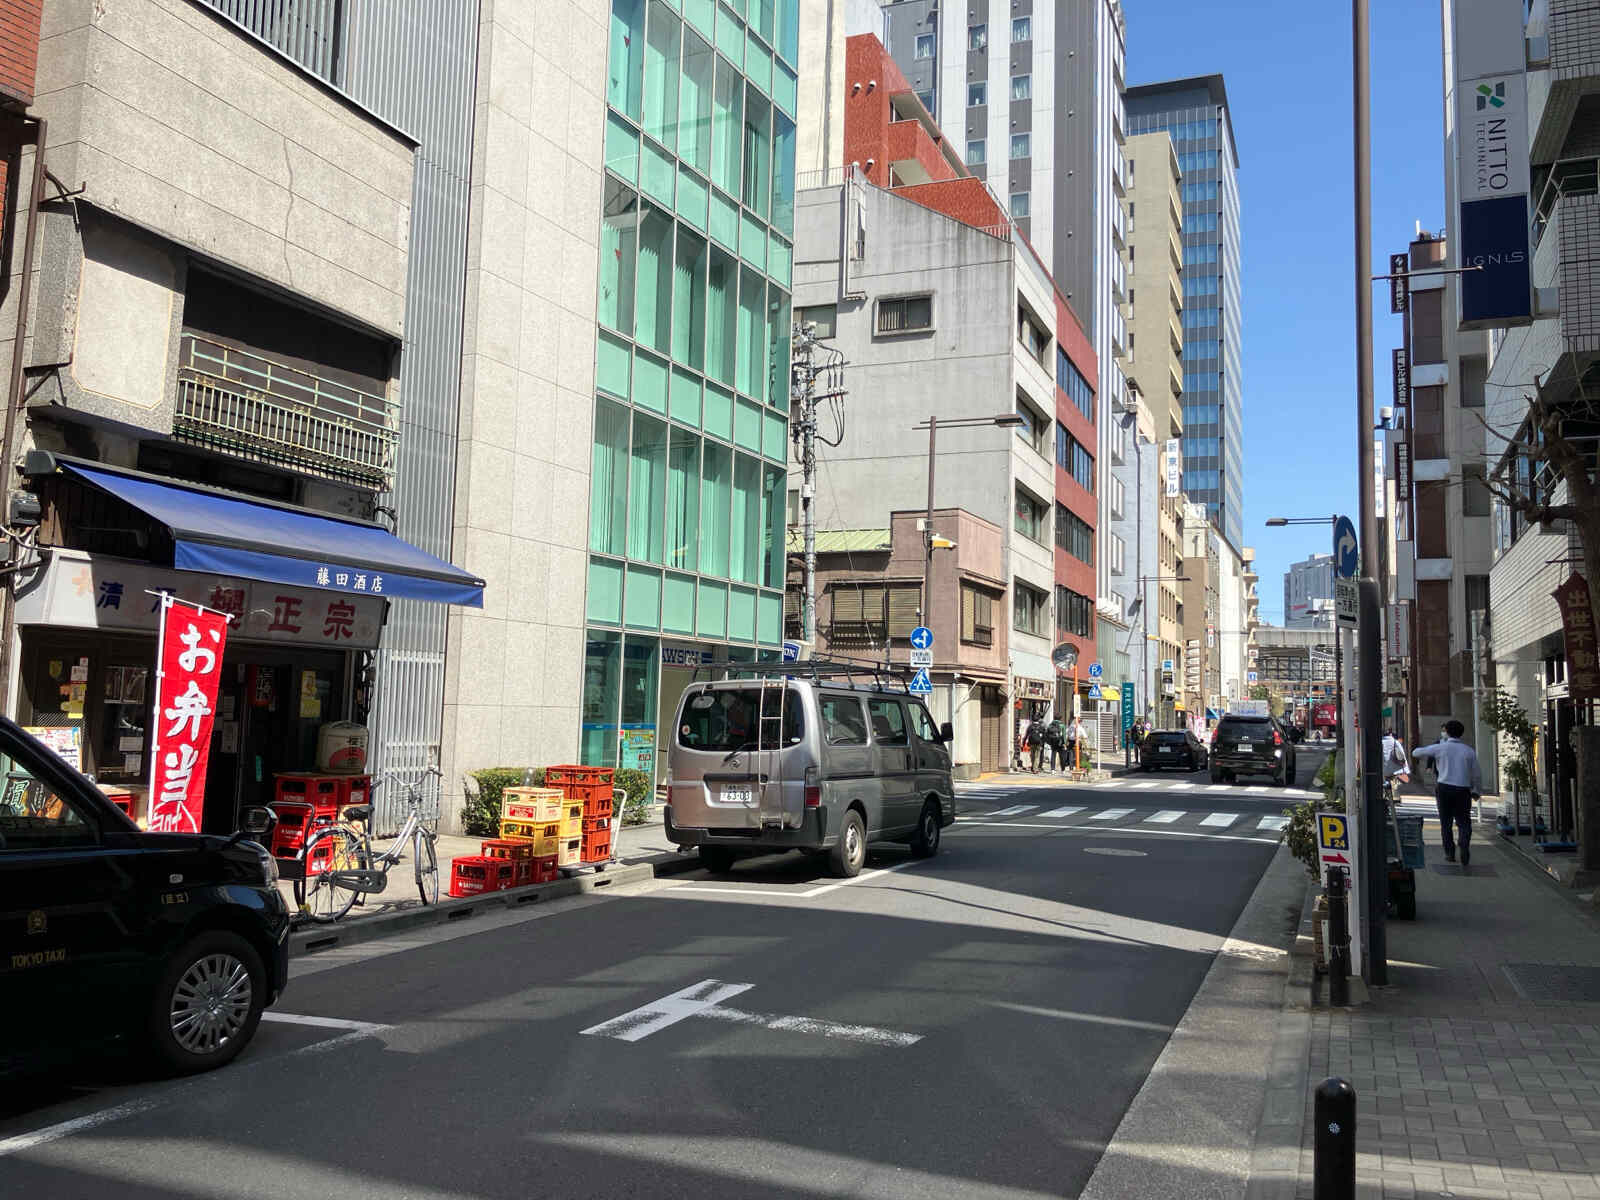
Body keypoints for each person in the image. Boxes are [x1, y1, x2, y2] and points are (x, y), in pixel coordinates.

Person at [1412, 719, 1483, 867]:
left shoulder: (1440, 747)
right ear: (1461, 733)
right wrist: (1476, 790)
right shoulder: (1468, 751)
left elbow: (1416, 752)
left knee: (1446, 823)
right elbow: (1477, 774)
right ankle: (1464, 843)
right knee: (1464, 822)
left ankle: (1450, 853)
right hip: (1463, 790)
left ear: (1447, 732)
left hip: (1444, 788)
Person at [1381, 725, 1410, 790]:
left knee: (1386, 780)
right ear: (1391, 733)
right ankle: (1392, 787)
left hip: (1384, 769)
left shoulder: (1380, 742)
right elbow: (1402, 755)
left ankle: (1387, 786)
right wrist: (1406, 770)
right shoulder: (1395, 742)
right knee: (1395, 783)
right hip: (1395, 770)